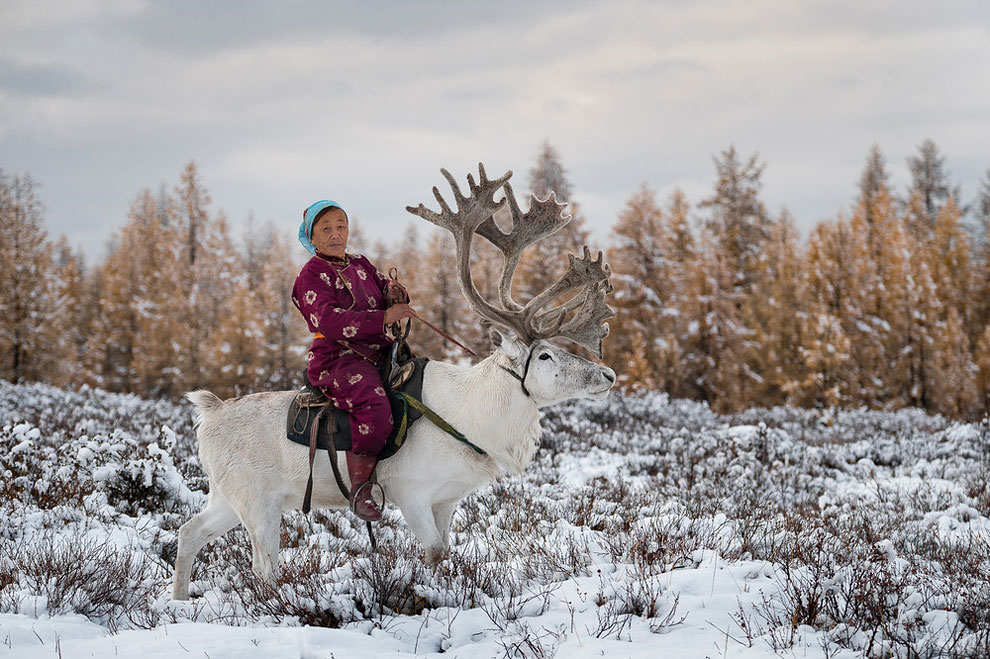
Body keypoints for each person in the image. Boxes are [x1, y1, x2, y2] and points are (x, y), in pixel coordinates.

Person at [291, 200, 416, 521]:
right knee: (374, 408)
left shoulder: (360, 263)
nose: (336, 234)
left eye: (341, 225)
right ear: (312, 237)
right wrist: (384, 316)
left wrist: (394, 292)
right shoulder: (311, 275)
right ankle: (360, 489)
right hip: (338, 358)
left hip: (379, 350)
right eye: (326, 228)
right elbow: (328, 322)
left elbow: (380, 285)